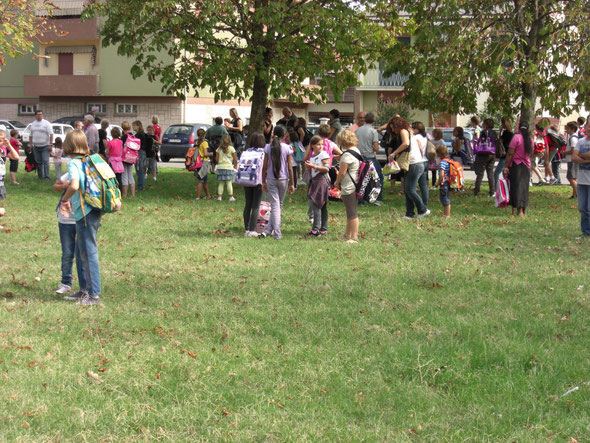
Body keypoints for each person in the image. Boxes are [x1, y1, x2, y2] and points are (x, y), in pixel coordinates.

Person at [59, 129, 103, 305]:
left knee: (88, 252)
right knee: (80, 251)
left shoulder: (74, 164)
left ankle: (94, 295)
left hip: (86, 213)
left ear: (68, 145)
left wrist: (64, 199)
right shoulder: (88, 160)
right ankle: (84, 290)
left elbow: (75, 185)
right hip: (91, 210)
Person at [389, 116, 430, 219]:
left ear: (397, 125)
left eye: (393, 127)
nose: (393, 130)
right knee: (408, 190)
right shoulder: (409, 130)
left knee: (410, 189)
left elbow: (406, 143)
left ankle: (423, 209)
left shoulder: (403, 131)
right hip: (414, 164)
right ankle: (409, 213)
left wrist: (394, 153)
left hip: (414, 164)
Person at [259, 125, 295, 240]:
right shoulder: (287, 147)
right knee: (277, 206)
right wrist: (293, 183)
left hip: (270, 179)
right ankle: (277, 233)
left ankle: (269, 230)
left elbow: (264, 166)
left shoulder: (268, 147)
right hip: (283, 179)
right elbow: (290, 167)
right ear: (284, 135)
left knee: (275, 206)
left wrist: (263, 181)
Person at [52, 172, 78, 296]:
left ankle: (87, 287)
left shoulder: (89, 171)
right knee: (67, 254)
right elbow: (56, 187)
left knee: (84, 254)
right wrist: (64, 186)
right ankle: (66, 283)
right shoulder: (70, 172)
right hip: (66, 219)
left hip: (83, 218)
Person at [333, 129, 361, 243]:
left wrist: (336, 182)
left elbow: (342, 172)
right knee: (350, 211)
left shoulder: (347, 155)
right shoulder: (356, 151)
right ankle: (347, 234)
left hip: (349, 186)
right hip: (355, 184)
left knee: (352, 212)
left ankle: (354, 237)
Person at [504, 121, 533, 216]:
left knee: (517, 187)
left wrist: (506, 166)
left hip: (516, 165)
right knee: (524, 187)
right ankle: (523, 209)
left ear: (519, 128)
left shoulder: (516, 138)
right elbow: (531, 153)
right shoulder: (530, 139)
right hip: (526, 165)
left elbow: (510, 153)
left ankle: (519, 210)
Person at [305, 135, 331, 236]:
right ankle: (323, 229)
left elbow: (326, 168)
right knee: (322, 205)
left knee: (317, 204)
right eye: (318, 144)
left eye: (322, 144)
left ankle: (315, 229)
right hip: (315, 180)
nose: (320, 146)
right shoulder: (312, 156)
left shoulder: (323, 154)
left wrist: (314, 166)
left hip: (322, 180)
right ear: (312, 146)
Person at [355, 112, 383, 204]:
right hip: (370, 158)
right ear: (373, 121)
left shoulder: (357, 130)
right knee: (377, 177)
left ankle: (360, 200)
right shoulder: (373, 131)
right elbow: (376, 147)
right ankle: (377, 198)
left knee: (361, 178)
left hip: (359, 158)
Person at [242, 132, 265, 237]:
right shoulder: (263, 153)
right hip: (258, 181)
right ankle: (252, 230)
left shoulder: (247, 151)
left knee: (248, 204)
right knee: (256, 206)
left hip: (246, 180)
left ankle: (246, 229)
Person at [572, 118, 590, 238]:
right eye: (589, 125)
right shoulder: (581, 141)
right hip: (582, 180)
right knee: (583, 208)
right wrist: (587, 158)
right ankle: (586, 232)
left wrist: (581, 157)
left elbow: (578, 156)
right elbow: (574, 157)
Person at [473, 118, 497, 197]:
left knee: (480, 173)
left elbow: (480, 141)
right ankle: (492, 192)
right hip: (492, 154)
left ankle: (476, 192)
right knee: (490, 174)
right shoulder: (494, 133)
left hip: (483, 154)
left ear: (486, 125)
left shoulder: (483, 132)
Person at [29, 110, 53, 180]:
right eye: (38, 114)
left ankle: (47, 177)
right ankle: (40, 177)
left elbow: (51, 134)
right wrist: (31, 144)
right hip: (36, 146)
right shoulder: (33, 124)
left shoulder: (46, 123)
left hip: (45, 146)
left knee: (45, 161)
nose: (40, 116)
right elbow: (31, 135)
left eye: (41, 114)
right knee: (38, 162)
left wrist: (50, 144)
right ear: (35, 115)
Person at [411, 121, 429, 208]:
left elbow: (420, 148)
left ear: (417, 129)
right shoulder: (424, 137)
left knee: (413, 185)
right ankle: (425, 202)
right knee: (423, 184)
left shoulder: (416, 137)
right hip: (426, 160)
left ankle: (417, 203)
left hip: (419, 161)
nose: (411, 129)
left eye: (413, 128)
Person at [215, 134, 238, 201]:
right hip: (228, 167)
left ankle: (219, 197)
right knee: (229, 182)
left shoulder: (219, 149)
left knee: (221, 183)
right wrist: (235, 165)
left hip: (220, 167)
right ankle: (231, 197)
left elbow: (216, 159)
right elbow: (235, 159)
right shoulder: (231, 148)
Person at [0, 125, 20, 201]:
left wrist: (9, 145)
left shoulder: (4, 149)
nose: (1, 137)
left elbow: (16, 157)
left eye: (2, 135)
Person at [494, 116, 514, 187]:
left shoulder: (506, 133)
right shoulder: (512, 133)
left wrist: (500, 131)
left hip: (504, 155)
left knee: (496, 173)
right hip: (508, 155)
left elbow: (500, 140)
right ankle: (507, 187)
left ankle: (496, 189)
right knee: (504, 173)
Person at [194, 127, 212, 200]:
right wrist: (211, 154)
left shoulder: (197, 142)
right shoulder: (204, 143)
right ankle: (198, 197)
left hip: (198, 162)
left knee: (204, 180)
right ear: (204, 135)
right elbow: (205, 153)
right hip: (203, 162)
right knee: (201, 181)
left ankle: (208, 195)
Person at [563, 121, 580, 199]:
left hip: (572, 160)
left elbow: (573, 150)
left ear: (572, 129)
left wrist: (564, 153)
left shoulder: (573, 138)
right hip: (572, 160)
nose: (567, 130)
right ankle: (574, 194)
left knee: (570, 177)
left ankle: (578, 194)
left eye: (568, 128)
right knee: (573, 177)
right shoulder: (574, 137)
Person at [434, 144, 452, 218]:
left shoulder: (442, 162)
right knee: (446, 198)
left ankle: (447, 215)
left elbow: (441, 174)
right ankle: (446, 214)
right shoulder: (448, 160)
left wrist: (437, 183)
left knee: (444, 199)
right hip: (447, 183)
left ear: (438, 153)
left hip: (443, 183)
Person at [132, 120, 148, 191]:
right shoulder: (144, 134)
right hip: (144, 152)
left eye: (134, 125)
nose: (133, 127)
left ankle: (141, 186)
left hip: (139, 152)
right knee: (142, 169)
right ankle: (142, 185)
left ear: (138, 126)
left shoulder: (138, 135)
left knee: (139, 169)